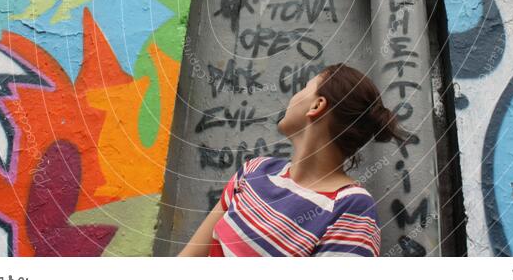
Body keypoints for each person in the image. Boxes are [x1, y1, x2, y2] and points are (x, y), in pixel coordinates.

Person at [177, 62, 413, 257]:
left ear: (317, 105)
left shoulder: (351, 208)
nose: (293, 97)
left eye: (305, 87)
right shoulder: (255, 170)